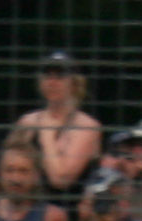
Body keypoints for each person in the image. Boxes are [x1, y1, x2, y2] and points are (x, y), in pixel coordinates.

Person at [14, 52, 100, 201]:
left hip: (68, 212)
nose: (52, 82)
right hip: (30, 209)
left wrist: (46, 133)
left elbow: (60, 180)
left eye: (60, 77)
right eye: (47, 75)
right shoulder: (27, 122)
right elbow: (11, 169)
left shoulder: (87, 126)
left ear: (74, 83)